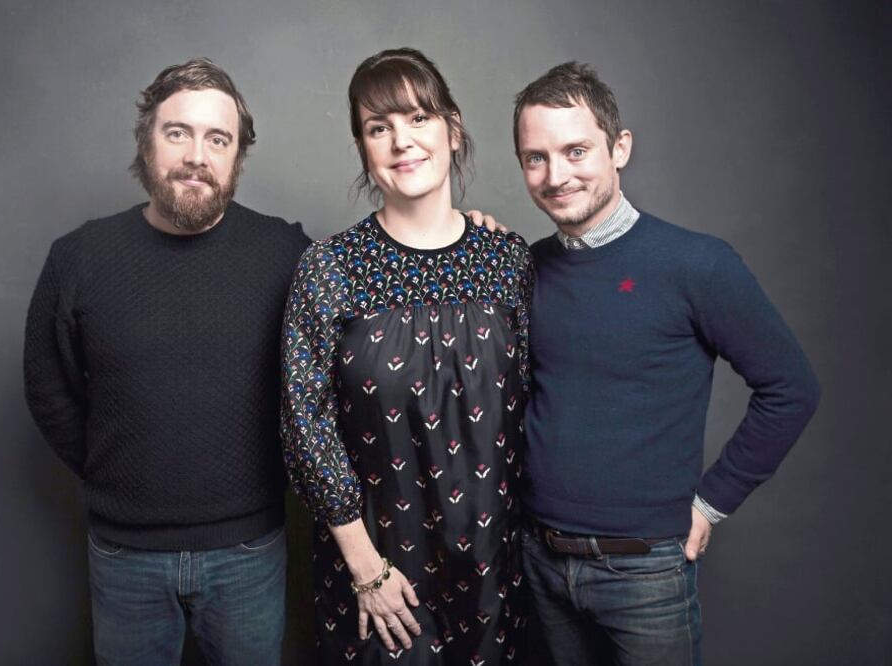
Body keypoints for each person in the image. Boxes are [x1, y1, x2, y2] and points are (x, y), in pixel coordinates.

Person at [508, 62, 821, 665]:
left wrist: (711, 502)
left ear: (619, 148)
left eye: (576, 151)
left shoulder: (697, 265)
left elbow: (791, 388)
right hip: (539, 561)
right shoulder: (524, 268)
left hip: (644, 572)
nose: (556, 175)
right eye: (535, 158)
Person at [23, 58, 311, 665]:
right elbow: (48, 386)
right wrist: (113, 470)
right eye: (177, 132)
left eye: (218, 138)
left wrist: (459, 231)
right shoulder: (78, 258)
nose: (196, 155)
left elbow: (358, 348)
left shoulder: (288, 254)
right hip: (125, 556)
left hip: (249, 554)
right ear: (146, 141)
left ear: (237, 155)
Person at [281, 48, 531, 665]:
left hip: (498, 574)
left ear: (452, 127)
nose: (401, 141)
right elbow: (303, 424)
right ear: (364, 149)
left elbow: (536, 407)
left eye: (418, 118)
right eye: (378, 127)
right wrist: (366, 568)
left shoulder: (508, 261)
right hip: (383, 582)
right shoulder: (330, 269)